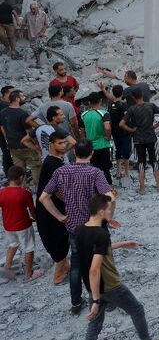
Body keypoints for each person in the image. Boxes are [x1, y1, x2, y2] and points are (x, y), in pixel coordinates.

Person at [39, 139, 115, 315]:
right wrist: (108, 217)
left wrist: (60, 216)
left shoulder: (60, 171)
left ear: (74, 152)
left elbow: (44, 197)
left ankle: (75, 302)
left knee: (76, 264)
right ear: (91, 153)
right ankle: (105, 300)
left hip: (74, 226)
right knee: (100, 262)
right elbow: (110, 196)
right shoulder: (95, 173)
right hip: (94, 225)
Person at [77, 195, 159, 340]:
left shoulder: (80, 230)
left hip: (93, 286)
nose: (111, 212)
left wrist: (124, 244)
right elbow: (94, 269)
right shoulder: (102, 234)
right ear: (100, 212)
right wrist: (97, 300)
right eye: (109, 209)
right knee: (137, 310)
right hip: (110, 286)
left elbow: (99, 250)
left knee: (95, 322)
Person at [35, 131, 71, 285]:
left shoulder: (56, 160)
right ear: (51, 144)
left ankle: (65, 268)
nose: (63, 146)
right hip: (50, 211)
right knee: (59, 240)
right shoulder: (52, 163)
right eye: (60, 143)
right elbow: (56, 191)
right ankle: (58, 277)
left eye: (65, 143)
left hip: (54, 208)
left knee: (62, 238)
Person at [120, 88, 159, 193]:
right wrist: (157, 125)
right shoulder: (150, 106)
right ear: (142, 95)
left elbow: (121, 124)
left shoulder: (132, 109)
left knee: (141, 163)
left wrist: (131, 130)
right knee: (155, 161)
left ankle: (142, 188)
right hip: (151, 137)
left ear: (133, 97)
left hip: (138, 139)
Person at [0, 166, 43, 282]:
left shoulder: (2, 192)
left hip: (8, 225)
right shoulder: (24, 193)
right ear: (20, 178)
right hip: (23, 225)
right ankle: (29, 274)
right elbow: (32, 210)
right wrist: (37, 219)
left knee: (13, 244)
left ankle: (7, 268)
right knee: (29, 248)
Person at [0, 90, 41, 188]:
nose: (25, 97)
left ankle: (21, 190)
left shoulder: (3, 112)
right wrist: (36, 146)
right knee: (36, 166)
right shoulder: (22, 114)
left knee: (18, 170)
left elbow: (2, 128)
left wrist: (8, 139)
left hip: (12, 146)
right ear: (17, 99)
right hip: (26, 147)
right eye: (22, 96)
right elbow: (29, 133)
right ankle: (40, 188)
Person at [81, 93, 113, 185]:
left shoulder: (84, 115)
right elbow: (107, 127)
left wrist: (84, 141)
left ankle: (96, 189)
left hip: (90, 146)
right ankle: (109, 188)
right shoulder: (104, 113)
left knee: (94, 169)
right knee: (105, 169)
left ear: (89, 102)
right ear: (100, 101)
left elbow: (82, 131)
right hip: (103, 144)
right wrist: (108, 137)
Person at [103, 84, 132, 184]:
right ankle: (127, 172)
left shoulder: (110, 105)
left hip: (115, 131)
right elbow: (126, 116)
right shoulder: (123, 105)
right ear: (122, 93)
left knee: (118, 149)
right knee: (126, 150)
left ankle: (118, 171)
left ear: (113, 93)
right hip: (124, 131)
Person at [0, 86, 14, 175]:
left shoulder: (6, 104)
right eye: (13, 92)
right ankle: (10, 174)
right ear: (6, 94)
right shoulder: (3, 106)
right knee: (7, 153)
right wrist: (7, 137)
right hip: (5, 134)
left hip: (8, 133)